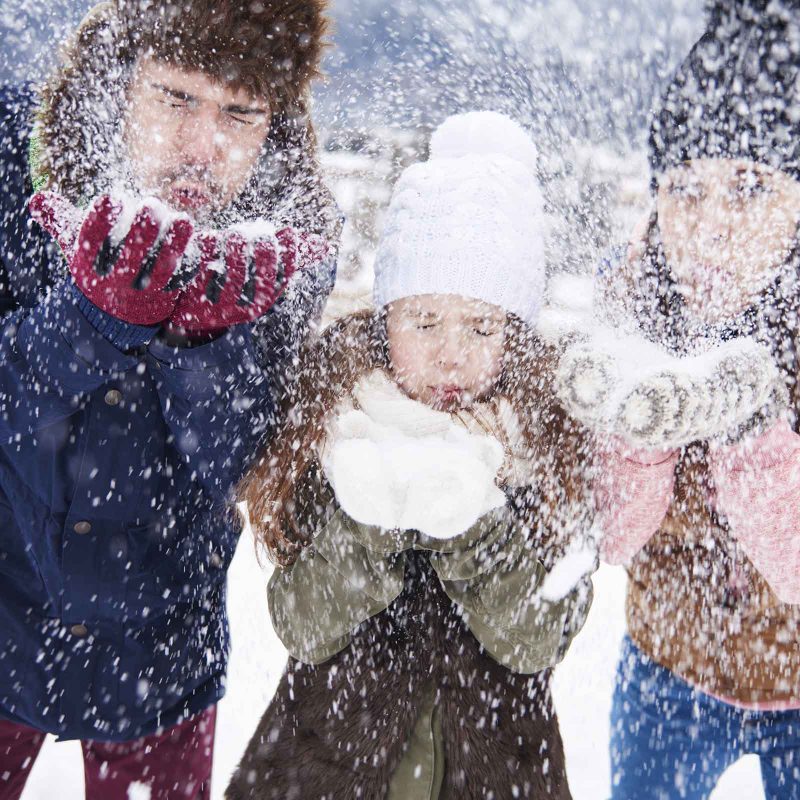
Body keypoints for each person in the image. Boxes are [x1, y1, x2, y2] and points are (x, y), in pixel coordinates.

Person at [0, 1, 339, 797]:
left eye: (240, 112)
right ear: (120, 83)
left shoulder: (290, 241)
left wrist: (204, 347)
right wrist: (90, 319)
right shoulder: (20, 171)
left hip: (158, 660)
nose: (203, 146)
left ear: (275, 122)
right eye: (176, 97)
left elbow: (240, 461)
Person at [226, 112, 596, 800]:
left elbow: (537, 639)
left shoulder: (542, 449)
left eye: (481, 325)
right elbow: (303, 624)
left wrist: (472, 522)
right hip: (324, 771)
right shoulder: (339, 429)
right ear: (385, 317)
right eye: (425, 321)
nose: (451, 351)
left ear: (515, 333)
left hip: (493, 777)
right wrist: (372, 516)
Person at [557, 2, 800, 798]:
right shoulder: (635, 316)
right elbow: (616, 538)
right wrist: (642, 428)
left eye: (749, 186)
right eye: (685, 191)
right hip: (669, 673)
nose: (712, 226)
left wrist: (745, 421)